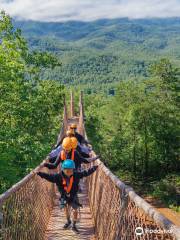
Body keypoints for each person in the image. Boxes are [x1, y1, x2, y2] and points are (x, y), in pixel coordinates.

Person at [37, 159, 98, 233]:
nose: (70, 173)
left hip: (73, 195)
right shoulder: (58, 176)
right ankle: (68, 221)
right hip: (64, 195)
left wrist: (95, 167)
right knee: (65, 208)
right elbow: (49, 177)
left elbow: (85, 173)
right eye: (68, 171)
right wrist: (40, 173)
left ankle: (74, 225)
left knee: (75, 210)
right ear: (63, 169)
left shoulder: (76, 175)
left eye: (71, 170)